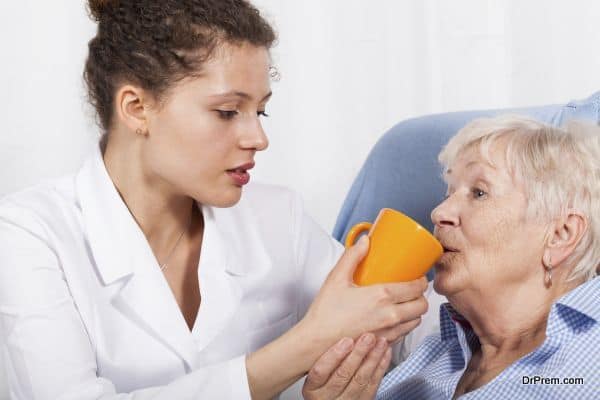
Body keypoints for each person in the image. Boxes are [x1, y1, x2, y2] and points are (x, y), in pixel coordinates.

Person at [0, 1, 440, 399]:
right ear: (136, 108)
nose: (259, 138)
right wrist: (308, 342)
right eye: (228, 112)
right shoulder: (30, 234)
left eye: (260, 111)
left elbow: (403, 329)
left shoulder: (276, 216)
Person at [303, 115, 600, 399]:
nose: (438, 213)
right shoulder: (440, 348)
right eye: (449, 194)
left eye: (479, 193)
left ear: (561, 234)